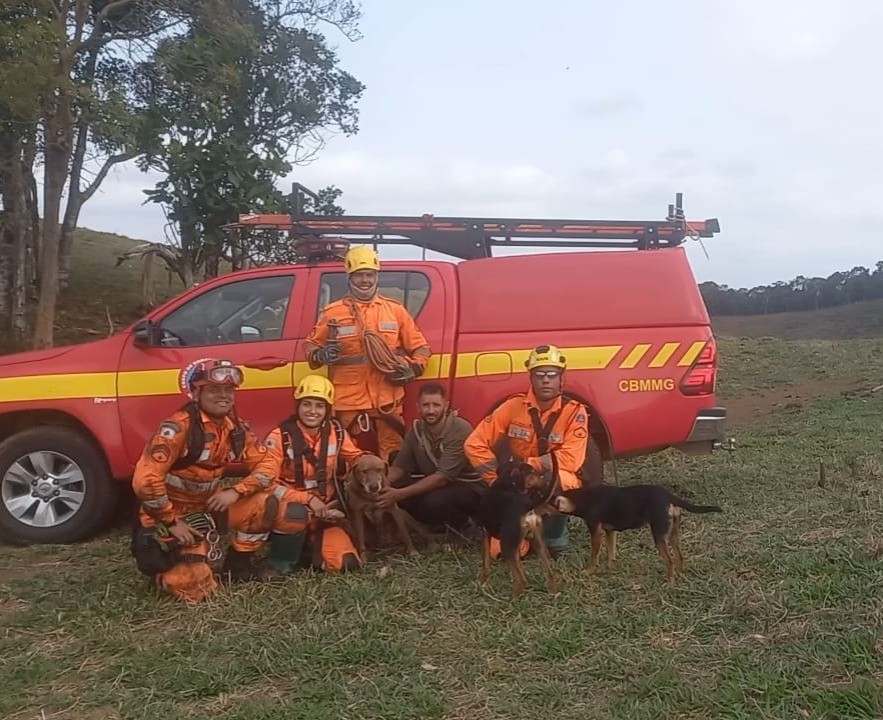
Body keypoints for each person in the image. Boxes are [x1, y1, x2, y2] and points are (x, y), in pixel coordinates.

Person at [130, 359, 279, 603]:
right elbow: (145, 480)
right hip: (172, 516)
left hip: (209, 507)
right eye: (214, 390)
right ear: (196, 393)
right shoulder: (179, 428)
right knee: (192, 586)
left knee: (265, 504)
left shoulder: (235, 428)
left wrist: (237, 491)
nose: (223, 396)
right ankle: (168, 573)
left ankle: (237, 564)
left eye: (228, 390)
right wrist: (171, 522)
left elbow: (269, 465)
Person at [304, 245, 431, 462]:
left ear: (376, 276)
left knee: (394, 453)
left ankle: (391, 494)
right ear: (350, 277)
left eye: (369, 275)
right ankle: (347, 493)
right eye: (360, 275)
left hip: (387, 397)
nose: (365, 280)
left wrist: (414, 368)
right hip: (347, 401)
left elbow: (421, 347)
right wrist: (320, 355)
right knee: (344, 455)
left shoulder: (394, 310)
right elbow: (310, 346)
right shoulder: (334, 312)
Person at [464, 344, 590, 557]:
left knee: (558, 478)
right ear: (531, 378)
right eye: (540, 374)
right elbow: (473, 443)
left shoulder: (574, 413)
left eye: (552, 374)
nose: (546, 380)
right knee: (501, 553)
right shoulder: (513, 406)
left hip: (553, 478)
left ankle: (555, 536)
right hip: (518, 485)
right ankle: (525, 535)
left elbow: (571, 459)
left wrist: (530, 465)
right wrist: (498, 479)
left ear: (561, 378)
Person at [261, 374, 365, 574]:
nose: (312, 411)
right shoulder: (279, 437)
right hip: (292, 507)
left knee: (345, 564)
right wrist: (308, 500)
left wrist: (371, 471)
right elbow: (267, 483)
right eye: (306, 404)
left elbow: (356, 458)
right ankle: (281, 562)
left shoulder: (337, 432)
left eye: (319, 406)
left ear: (327, 409)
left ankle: (308, 548)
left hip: (327, 512)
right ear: (297, 406)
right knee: (294, 514)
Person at [377, 382, 484, 531]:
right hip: (436, 484)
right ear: (418, 407)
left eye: (436, 405)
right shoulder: (415, 431)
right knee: (400, 489)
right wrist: (380, 485)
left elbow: (442, 478)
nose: (431, 410)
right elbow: (400, 467)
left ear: (445, 406)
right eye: (426, 405)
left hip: (467, 486)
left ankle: (464, 524)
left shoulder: (460, 429)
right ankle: (425, 522)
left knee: (433, 502)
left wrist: (397, 495)